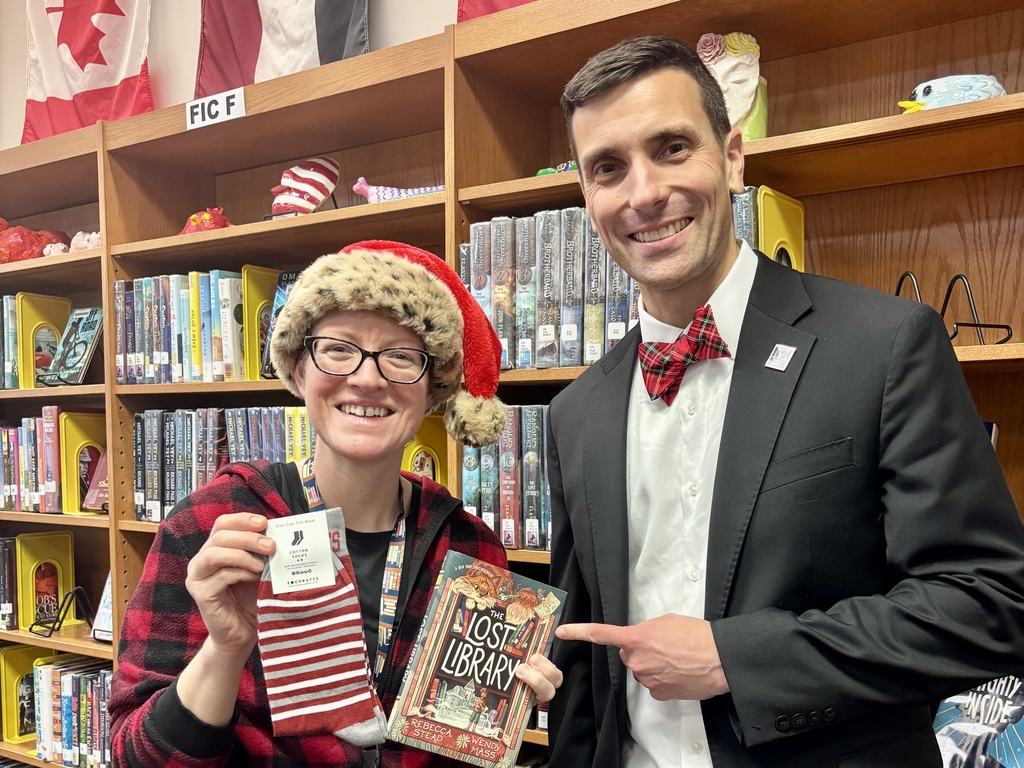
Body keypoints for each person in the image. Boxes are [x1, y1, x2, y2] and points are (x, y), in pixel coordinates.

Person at [546, 35, 1024, 768]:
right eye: (608, 168)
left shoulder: (886, 346)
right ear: (587, 195)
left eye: (672, 148)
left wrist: (736, 659)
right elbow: (587, 660)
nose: (642, 194)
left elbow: (987, 605)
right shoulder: (574, 412)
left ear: (733, 156)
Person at [109, 240, 562, 767]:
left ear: (432, 389)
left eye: (400, 357)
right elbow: (133, 757)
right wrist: (224, 651)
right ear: (299, 371)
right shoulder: (214, 525)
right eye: (338, 348)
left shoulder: (470, 549)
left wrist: (503, 714)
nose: (368, 379)